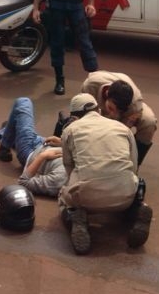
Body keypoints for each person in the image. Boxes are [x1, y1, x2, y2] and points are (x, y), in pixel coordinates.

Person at [59, 93, 152, 254]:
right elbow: (134, 165)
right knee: (132, 187)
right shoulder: (122, 128)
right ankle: (137, 210)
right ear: (98, 109)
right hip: (125, 196)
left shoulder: (70, 130)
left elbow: (69, 167)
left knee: (63, 195)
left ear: (75, 116)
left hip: (87, 198)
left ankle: (76, 219)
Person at [0, 96, 67, 197]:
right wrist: (62, 143)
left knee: (23, 102)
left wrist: (42, 156)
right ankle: (7, 131)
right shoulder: (87, 160)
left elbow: (24, 182)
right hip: (46, 144)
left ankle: (4, 148)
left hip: (30, 152)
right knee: (17, 123)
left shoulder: (60, 179)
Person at [81, 70, 157, 165]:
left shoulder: (134, 104)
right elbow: (83, 112)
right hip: (97, 105)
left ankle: (133, 163)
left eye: (118, 110)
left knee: (149, 122)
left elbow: (122, 131)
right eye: (112, 108)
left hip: (126, 113)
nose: (113, 113)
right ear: (107, 94)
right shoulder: (90, 85)